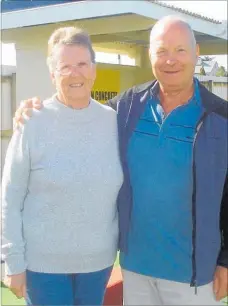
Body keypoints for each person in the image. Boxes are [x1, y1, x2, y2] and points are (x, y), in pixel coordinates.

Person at [13, 16, 228, 305]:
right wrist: (31, 108)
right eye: (161, 51)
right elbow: (75, 109)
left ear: (196, 51)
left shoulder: (221, 117)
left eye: (180, 50)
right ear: (151, 55)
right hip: (134, 270)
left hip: (194, 277)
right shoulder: (126, 108)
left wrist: (225, 259)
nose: (170, 60)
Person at [2, 26, 123, 306]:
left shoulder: (114, 121)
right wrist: (13, 261)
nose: (74, 73)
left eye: (81, 64)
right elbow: (10, 196)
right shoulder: (31, 122)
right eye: (64, 66)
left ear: (93, 69)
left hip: (98, 264)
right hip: (43, 269)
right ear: (52, 73)